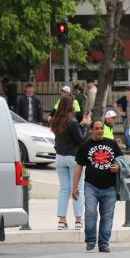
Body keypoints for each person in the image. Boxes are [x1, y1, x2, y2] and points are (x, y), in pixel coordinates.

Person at [72, 120, 124, 252]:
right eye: (97, 128)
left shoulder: (111, 144)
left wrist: (118, 167)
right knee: (90, 213)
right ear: (92, 130)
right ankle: (90, 240)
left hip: (110, 187)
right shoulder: (85, 146)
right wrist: (75, 187)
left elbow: (122, 161)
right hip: (91, 187)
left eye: (101, 128)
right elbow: (79, 167)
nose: (100, 130)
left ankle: (104, 243)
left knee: (107, 217)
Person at [50, 96, 90, 230]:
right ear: (70, 106)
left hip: (60, 157)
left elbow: (69, 133)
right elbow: (81, 140)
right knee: (77, 188)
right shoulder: (72, 121)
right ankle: (78, 220)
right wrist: (87, 126)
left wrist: (81, 125)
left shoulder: (55, 121)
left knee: (64, 189)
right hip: (73, 158)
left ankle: (62, 220)